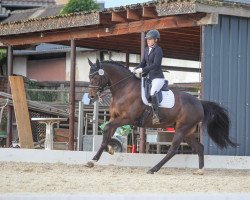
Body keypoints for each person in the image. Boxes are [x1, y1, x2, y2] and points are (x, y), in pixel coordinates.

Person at [133, 29, 165, 124]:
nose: (148, 41)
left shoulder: (159, 50)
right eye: (147, 39)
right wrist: (134, 69)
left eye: (150, 39)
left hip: (157, 77)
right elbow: (143, 63)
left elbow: (156, 65)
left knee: (152, 93)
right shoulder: (146, 49)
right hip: (148, 77)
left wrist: (142, 70)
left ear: (155, 40)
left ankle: (157, 116)